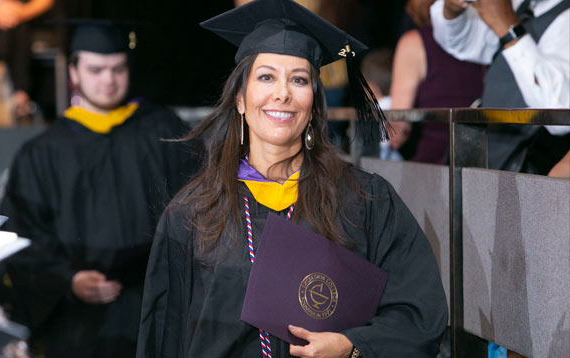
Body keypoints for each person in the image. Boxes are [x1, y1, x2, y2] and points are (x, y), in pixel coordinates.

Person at [137, 1, 448, 357]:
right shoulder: (192, 214)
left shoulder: (364, 201)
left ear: (314, 102)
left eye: (298, 80)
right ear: (240, 98)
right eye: (266, 77)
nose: (282, 93)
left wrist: (352, 346)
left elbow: (419, 314)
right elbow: (164, 337)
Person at [0, 21, 199, 358]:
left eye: (117, 68)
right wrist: (68, 279)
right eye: (96, 69)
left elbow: (198, 211)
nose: (108, 79)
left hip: (154, 308)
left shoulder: (164, 131)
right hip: (76, 323)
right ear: (73, 72)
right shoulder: (43, 152)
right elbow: (23, 235)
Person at [430, 0, 570, 172]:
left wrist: (507, 28)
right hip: (491, 158)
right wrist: (452, 10)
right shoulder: (522, 5)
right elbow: (462, 43)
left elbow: (560, 116)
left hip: (532, 173)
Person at [389, 0, 485, 164]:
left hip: (433, 168)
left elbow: (397, 128)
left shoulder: (414, 43)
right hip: (485, 165)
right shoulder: (489, 40)